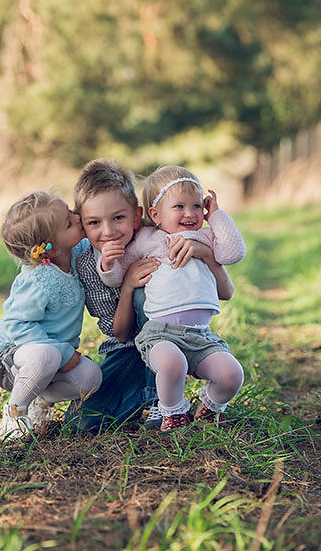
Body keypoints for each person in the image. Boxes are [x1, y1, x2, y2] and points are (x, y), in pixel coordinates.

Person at [67, 159, 235, 433]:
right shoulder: (89, 263)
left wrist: (204, 253)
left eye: (118, 218)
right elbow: (120, 334)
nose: (108, 231)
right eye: (94, 222)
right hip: (130, 350)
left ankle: (160, 400)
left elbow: (226, 291)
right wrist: (129, 285)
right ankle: (149, 393)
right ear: (83, 226)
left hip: (179, 338)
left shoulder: (164, 236)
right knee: (82, 424)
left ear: (137, 215)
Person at [0, 190, 103, 440]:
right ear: (48, 250)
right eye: (69, 222)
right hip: (10, 357)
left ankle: (40, 398)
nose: (78, 217)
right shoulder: (38, 281)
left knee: (91, 378)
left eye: (71, 212)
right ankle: (15, 412)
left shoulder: (76, 252)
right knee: (47, 354)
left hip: (51, 357)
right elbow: (17, 325)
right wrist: (62, 352)